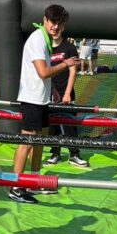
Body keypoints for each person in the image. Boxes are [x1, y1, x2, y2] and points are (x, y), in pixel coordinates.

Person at [8, 5, 79, 205]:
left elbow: (43, 75)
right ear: (44, 19)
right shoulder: (37, 39)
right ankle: (15, 186)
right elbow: (42, 72)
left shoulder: (45, 40)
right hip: (31, 99)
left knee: (40, 141)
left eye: (59, 23)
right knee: (27, 142)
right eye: (52, 22)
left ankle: (34, 180)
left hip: (41, 99)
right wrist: (66, 64)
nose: (55, 26)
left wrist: (53, 90)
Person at [44, 30, 90, 169]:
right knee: (53, 127)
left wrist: (67, 93)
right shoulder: (45, 47)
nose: (56, 30)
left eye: (59, 27)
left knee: (70, 126)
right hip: (49, 94)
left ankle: (74, 154)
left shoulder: (69, 47)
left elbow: (73, 71)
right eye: (54, 26)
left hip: (66, 94)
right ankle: (55, 153)